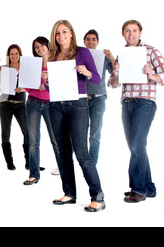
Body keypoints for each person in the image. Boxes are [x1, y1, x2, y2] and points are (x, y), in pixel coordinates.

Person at [44, 20, 105, 212]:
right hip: (56, 105)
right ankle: (69, 193)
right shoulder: (52, 55)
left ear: (71, 33)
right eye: (57, 33)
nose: (60, 36)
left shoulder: (82, 52)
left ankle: (98, 196)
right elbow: (50, 87)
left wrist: (86, 72)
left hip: (77, 104)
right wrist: (46, 81)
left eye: (64, 31)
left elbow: (96, 78)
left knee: (81, 153)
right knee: (63, 153)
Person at [108, 20, 164, 203]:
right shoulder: (122, 54)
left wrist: (151, 74)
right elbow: (113, 85)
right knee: (137, 147)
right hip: (127, 103)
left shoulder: (151, 51)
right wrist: (116, 74)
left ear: (140, 32)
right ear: (123, 33)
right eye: (127, 31)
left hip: (145, 103)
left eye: (134, 31)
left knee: (137, 145)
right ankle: (149, 188)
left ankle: (138, 189)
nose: (131, 34)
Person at [23, 37, 60, 185]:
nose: (39, 49)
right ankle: (34, 174)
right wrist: (36, 87)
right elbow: (25, 84)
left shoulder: (56, 62)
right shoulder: (32, 64)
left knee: (56, 140)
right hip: (33, 102)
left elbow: (62, 82)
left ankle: (64, 170)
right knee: (33, 141)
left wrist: (48, 85)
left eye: (42, 45)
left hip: (51, 104)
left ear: (47, 45)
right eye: (36, 47)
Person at [83, 29, 114, 165]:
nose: (91, 42)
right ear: (84, 42)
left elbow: (114, 73)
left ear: (97, 42)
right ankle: (67, 164)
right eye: (88, 39)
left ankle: (91, 165)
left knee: (95, 134)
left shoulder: (103, 57)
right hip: (81, 98)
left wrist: (111, 57)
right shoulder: (79, 55)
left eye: (93, 39)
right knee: (76, 133)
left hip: (99, 98)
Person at [0, 44, 30, 170]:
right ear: (8, 56)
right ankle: (9, 162)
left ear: (20, 55)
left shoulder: (25, 68)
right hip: (6, 103)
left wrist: (23, 87)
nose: (14, 56)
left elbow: (31, 84)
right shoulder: (4, 68)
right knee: (5, 132)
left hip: (21, 104)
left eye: (16, 53)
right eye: (12, 54)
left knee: (27, 132)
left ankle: (29, 162)